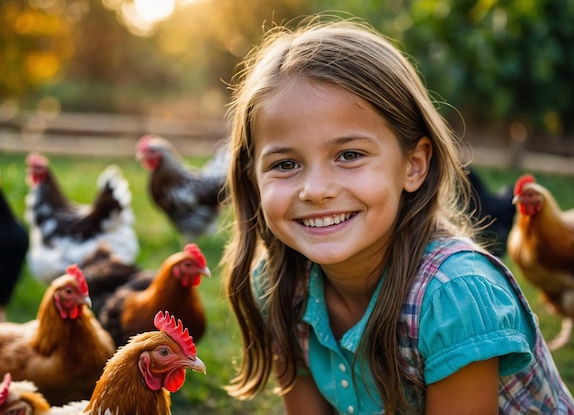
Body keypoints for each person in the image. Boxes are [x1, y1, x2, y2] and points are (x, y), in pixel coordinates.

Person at [220, 14, 574, 415]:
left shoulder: (453, 298)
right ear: (252, 180)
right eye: (285, 164)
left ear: (413, 165)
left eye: (349, 155)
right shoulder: (279, 285)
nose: (316, 190)